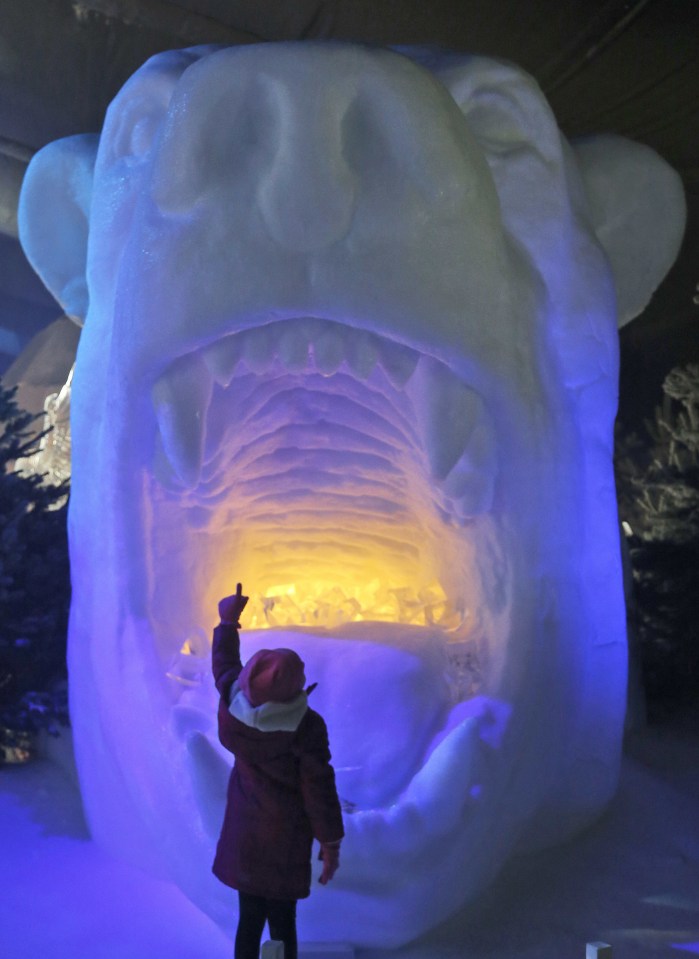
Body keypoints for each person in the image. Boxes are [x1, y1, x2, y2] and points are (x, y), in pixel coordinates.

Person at [212, 583, 344, 959]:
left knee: (249, 918)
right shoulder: (306, 728)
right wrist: (330, 842)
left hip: (245, 834)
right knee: (283, 921)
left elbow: (223, 665)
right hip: (285, 839)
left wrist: (226, 622)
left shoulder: (233, 704)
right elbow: (318, 789)